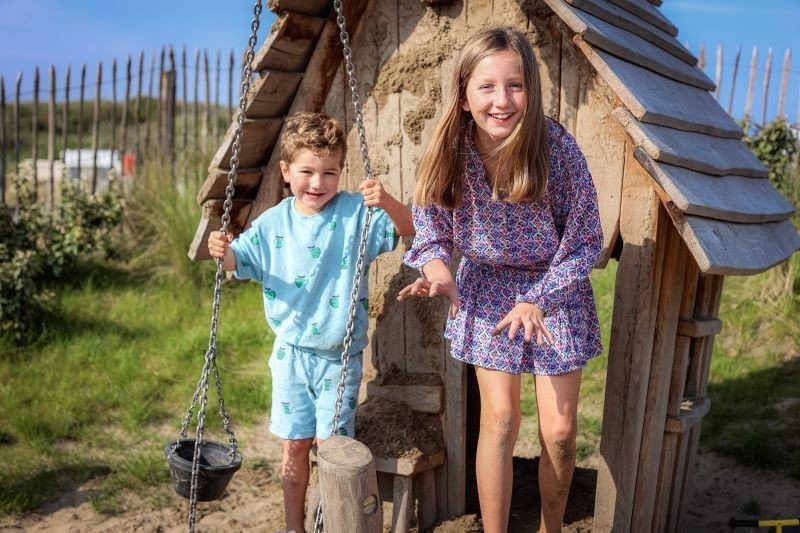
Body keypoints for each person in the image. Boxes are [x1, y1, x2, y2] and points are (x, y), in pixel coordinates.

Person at [397, 27, 603, 532]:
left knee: (558, 431)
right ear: (464, 94)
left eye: (515, 85)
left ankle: (550, 528)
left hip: (556, 290)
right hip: (487, 289)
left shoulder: (555, 148)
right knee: (502, 419)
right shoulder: (449, 148)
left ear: (530, 90)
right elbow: (430, 225)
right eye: (487, 87)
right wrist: (438, 269)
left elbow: (584, 239)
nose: (502, 100)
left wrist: (540, 298)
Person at [208, 111, 414, 533]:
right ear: (286, 171)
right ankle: (293, 526)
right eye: (307, 171)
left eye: (329, 172)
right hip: (290, 355)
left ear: (341, 172)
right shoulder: (273, 224)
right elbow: (238, 261)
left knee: (333, 449)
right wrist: (221, 249)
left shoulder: (356, 214)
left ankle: (331, 523)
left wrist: (386, 201)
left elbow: (411, 228)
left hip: (338, 360)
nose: (317, 183)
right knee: (295, 446)